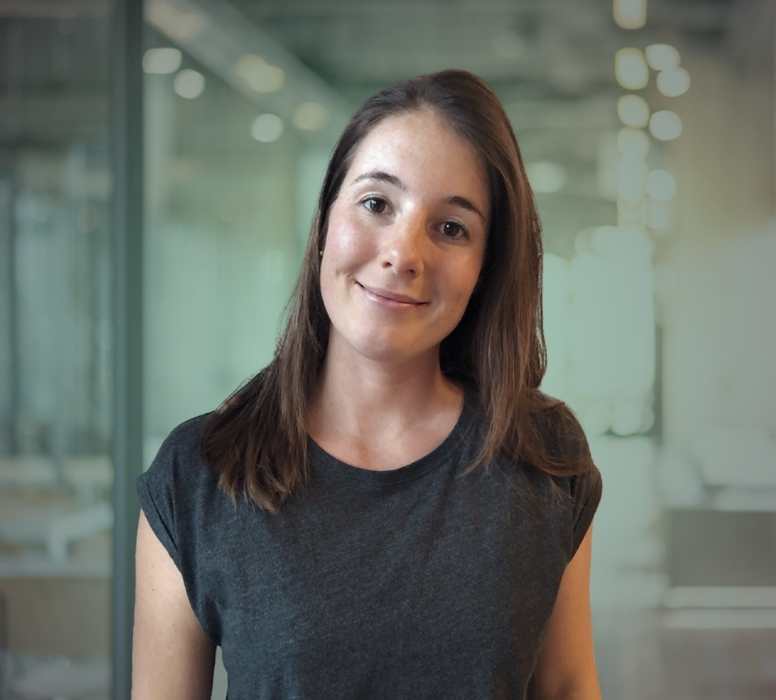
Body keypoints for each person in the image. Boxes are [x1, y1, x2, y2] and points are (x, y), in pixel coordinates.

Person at [132, 69, 603, 699]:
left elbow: (570, 686)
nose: (404, 252)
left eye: (451, 228)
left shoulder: (545, 457)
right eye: (376, 203)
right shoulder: (199, 475)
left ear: (485, 267)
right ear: (326, 221)